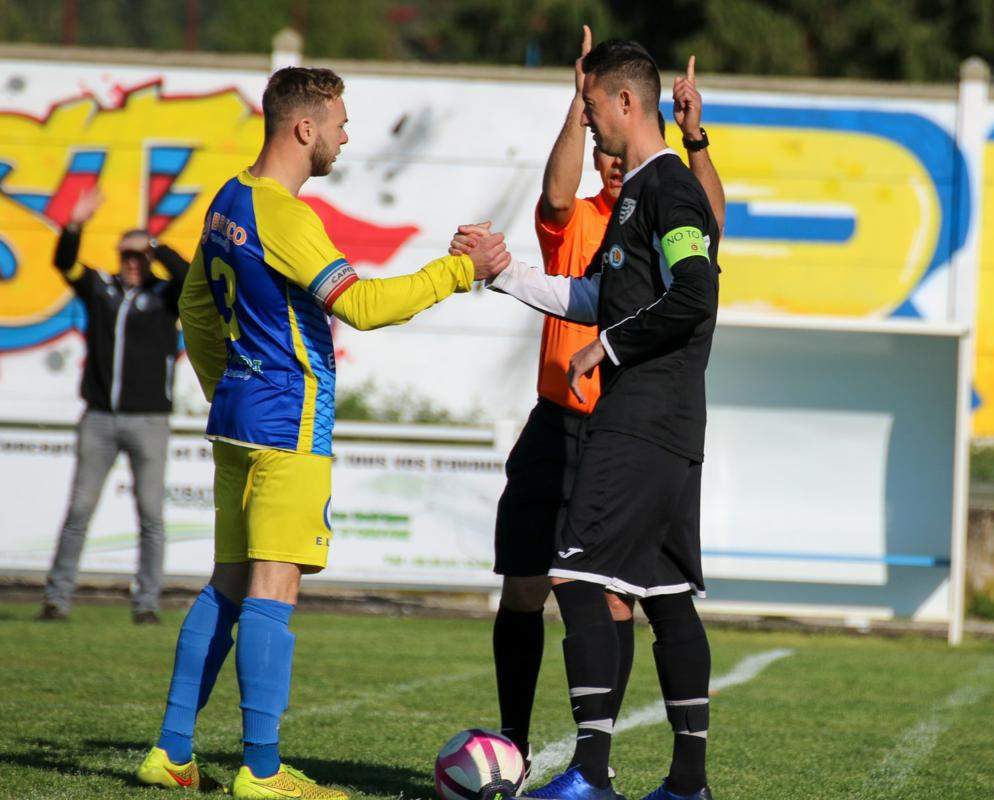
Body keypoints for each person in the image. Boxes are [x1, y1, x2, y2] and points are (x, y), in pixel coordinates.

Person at [134, 66, 510, 800]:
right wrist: (458, 272)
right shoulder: (285, 215)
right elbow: (363, 306)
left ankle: (171, 752)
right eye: (339, 121)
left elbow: (195, 309)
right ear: (303, 127)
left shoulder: (228, 200)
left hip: (241, 420)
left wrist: (227, 390)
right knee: (274, 591)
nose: (346, 134)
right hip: (285, 425)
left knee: (227, 587)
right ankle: (263, 771)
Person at [450, 26, 725, 791]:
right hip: (670, 424)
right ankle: (687, 784)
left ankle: (590, 778)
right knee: (666, 597)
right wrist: (503, 273)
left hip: (640, 419)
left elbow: (694, 296)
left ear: (626, 101)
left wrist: (607, 351)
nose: (590, 118)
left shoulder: (668, 189)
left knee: (572, 578)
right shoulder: (639, 193)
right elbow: (601, 299)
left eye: (594, 104)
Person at [41, 187, 189, 625]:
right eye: (126, 254)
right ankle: (57, 598)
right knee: (80, 510)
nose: (131, 262)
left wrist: (156, 245)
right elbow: (64, 263)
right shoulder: (100, 290)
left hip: (149, 420)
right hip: (100, 418)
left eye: (138, 256)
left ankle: (146, 603)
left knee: (150, 516)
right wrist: (74, 225)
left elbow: (187, 276)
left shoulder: (165, 296)